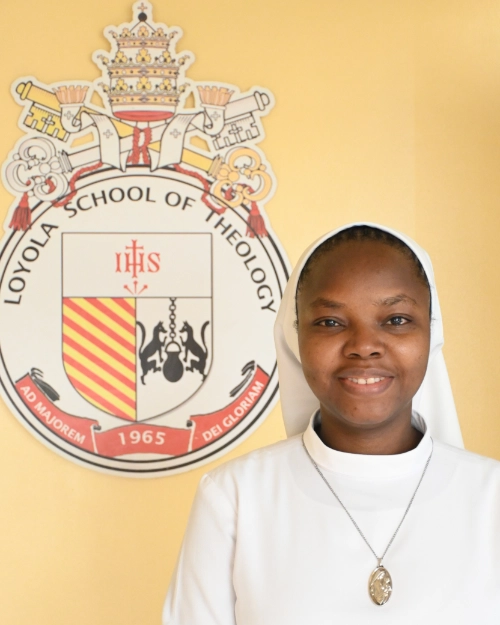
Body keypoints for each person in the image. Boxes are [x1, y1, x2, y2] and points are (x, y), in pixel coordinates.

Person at [163, 222, 500, 624]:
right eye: (330, 322)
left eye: (396, 319)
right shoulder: (234, 498)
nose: (364, 346)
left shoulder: (491, 499)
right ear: (296, 336)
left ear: (431, 331)